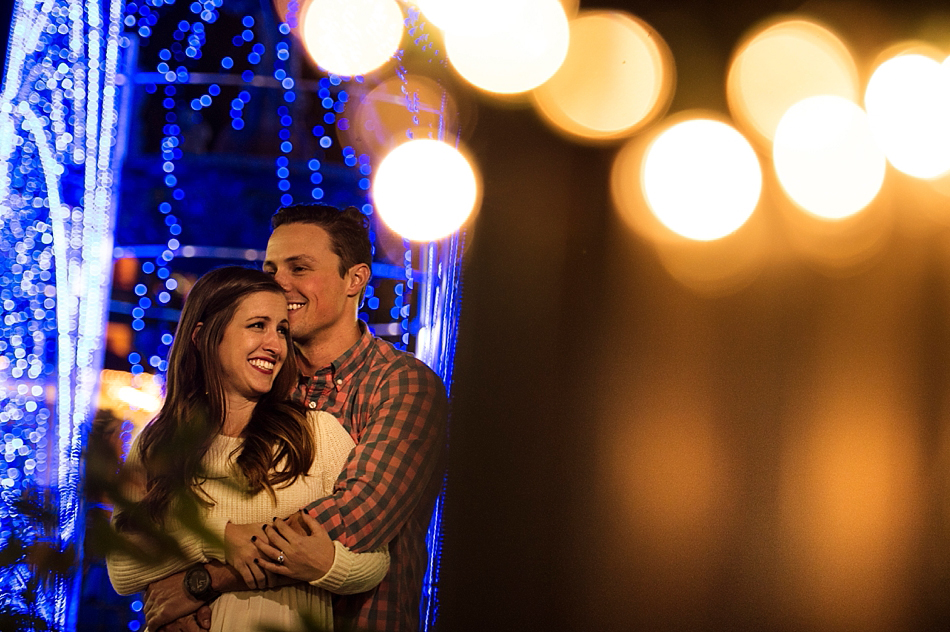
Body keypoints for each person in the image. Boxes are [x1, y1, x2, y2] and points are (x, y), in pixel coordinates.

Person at [147, 204, 448, 632]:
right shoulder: (254, 382)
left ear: (355, 279)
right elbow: (162, 512)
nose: (279, 282)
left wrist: (204, 579)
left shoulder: (401, 384)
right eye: (271, 268)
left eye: (299, 267)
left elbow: (352, 518)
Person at [107, 266, 391, 631]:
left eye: (282, 330)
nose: (275, 344)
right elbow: (121, 566)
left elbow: (377, 560)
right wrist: (221, 539)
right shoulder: (159, 442)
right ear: (203, 336)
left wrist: (325, 565)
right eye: (258, 325)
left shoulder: (316, 434)